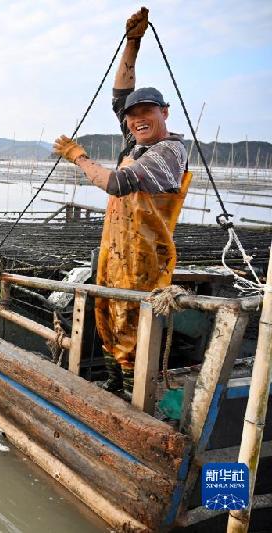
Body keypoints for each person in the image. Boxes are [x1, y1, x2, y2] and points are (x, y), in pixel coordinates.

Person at [52, 6, 190, 396]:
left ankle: (132, 395)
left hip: (146, 256)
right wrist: (132, 43)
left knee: (131, 323)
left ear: (164, 112)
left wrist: (78, 156)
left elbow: (116, 183)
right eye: (133, 116)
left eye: (147, 112)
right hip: (115, 250)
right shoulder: (136, 139)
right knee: (107, 319)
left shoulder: (168, 152)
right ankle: (112, 386)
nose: (136, 118)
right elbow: (120, 94)